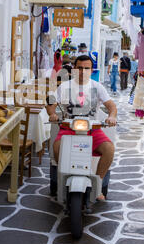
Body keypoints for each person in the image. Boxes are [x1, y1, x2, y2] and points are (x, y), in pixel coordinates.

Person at [46, 55, 117, 202]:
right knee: (57, 147)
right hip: (68, 128)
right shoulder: (64, 86)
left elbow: (112, 106)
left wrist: (112, 116)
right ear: (73, 69)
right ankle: (63, 179)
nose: (83, 71)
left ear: (91, 70)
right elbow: (51, 102)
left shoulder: (97, 87)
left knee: (109, 149)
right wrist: (52, 113)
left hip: (93, 129)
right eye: (80, 68)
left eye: (87, 68)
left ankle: (98, 185)